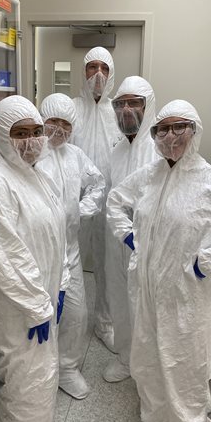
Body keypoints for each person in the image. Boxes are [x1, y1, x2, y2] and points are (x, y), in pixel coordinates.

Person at [106, 100, 211, 422]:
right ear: (155, 135)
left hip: (186, 297)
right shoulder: (150, 174)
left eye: (181, 127)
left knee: (185, 371)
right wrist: (129, 236)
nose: (171, 136)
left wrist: (208, 261)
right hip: (145, 292)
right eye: (163, 129)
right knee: (146, 362)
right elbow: (115, 201)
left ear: (195, 130)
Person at [0, 95, 69, 422]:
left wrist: (60, 285)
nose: (31, 141)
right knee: (23, 383)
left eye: (36, 131)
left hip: (40, 300)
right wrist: (36, 305)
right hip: (17, 311)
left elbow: (58, 237)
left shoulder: (39, 178)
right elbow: (5, 258)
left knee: (42, 379)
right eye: (20, 133)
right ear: (4, 137)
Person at [38, 93, 105, 400]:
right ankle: (42, 371)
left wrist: (82, 209)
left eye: (66, 124)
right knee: (43, 315)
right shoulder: (32, 156)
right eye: (54, 122)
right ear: (43, 120)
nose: (60, 130)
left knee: (76, 313)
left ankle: (67, 368)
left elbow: (98, 184)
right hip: (40, 252)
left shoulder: (76, 155)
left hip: (71, 250)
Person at [103, 75, 158, 383]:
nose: (126, 111)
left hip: (145, 244)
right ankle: (125, 358)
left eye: (134, 103)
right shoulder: (117, 151)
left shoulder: (158, 150)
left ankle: (146, 370)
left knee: (144, 308)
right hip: (116, 241)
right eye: (120, 104)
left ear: (147, 106)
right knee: (120, 301)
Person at [71, 46, 122, 352]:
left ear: (111, 73)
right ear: (84, 72)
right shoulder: (72, 109)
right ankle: (67, 322)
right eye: (92, 67)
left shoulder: (118, 112)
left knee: (107, 264)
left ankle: (104, 322)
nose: (98, 74)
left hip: (108, 201)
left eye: (104, 68)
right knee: (68, 259)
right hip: (73, 201)